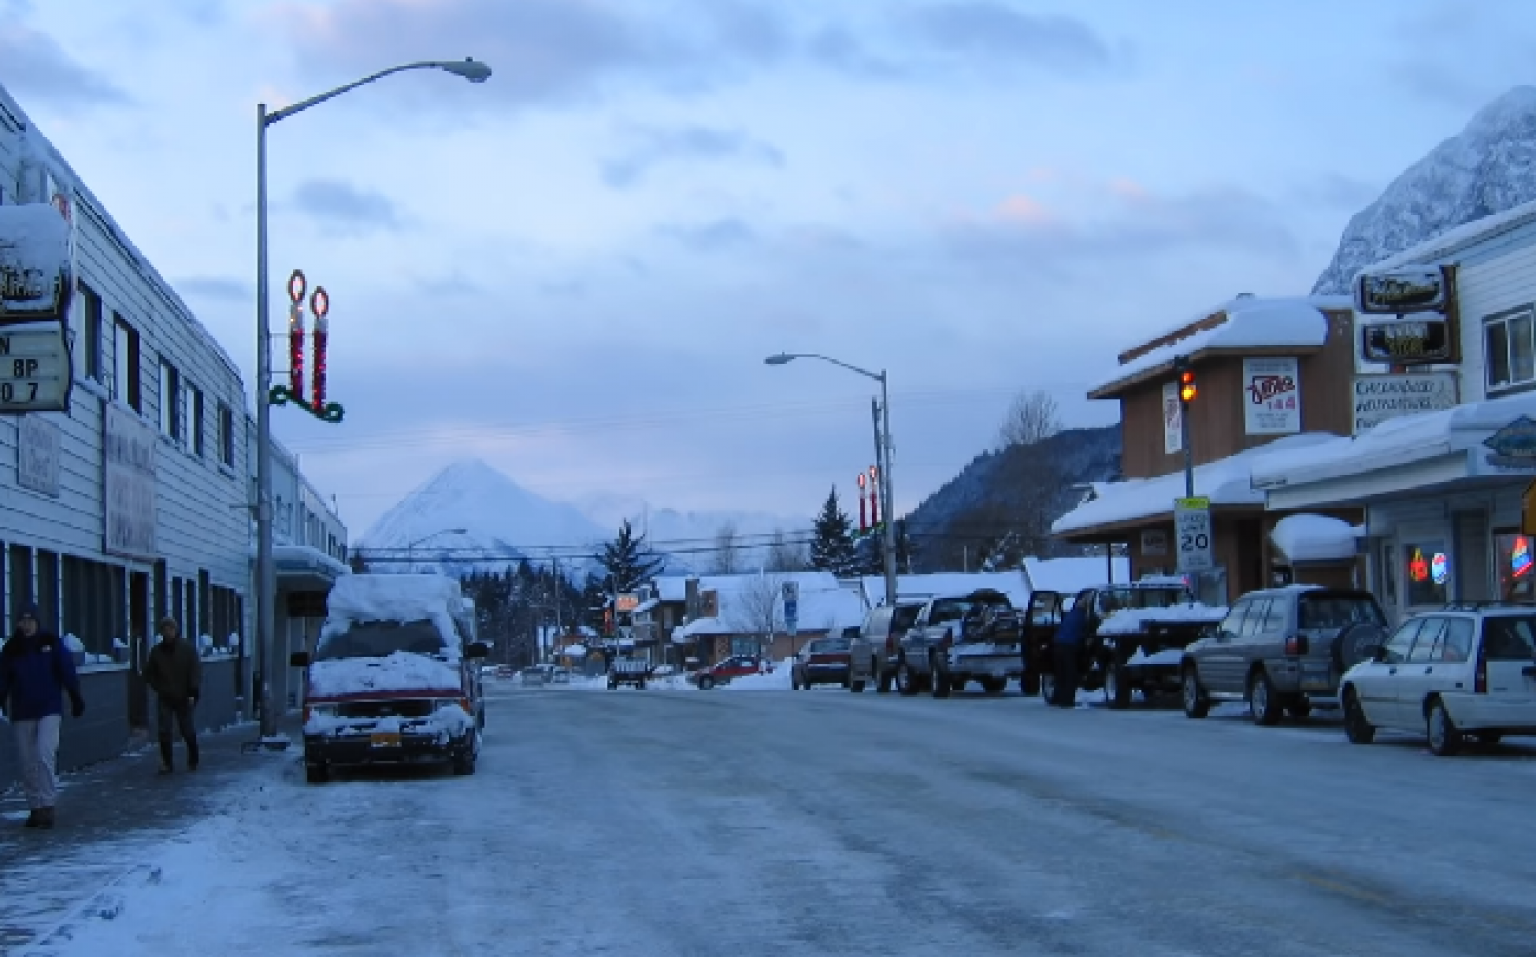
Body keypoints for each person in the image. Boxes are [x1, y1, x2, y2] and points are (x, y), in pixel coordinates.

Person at [0, 602, 84, 829]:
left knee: (44, 754)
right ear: (18, 623)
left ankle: (47, 804)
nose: (26, 625)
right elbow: (3, 679)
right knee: (28, 761)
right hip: (22, 710)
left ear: (37, 621)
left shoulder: (51, 643)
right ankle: (35, 806)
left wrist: (75, 696)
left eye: (30, 620)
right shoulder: (11, 649)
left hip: (49, 708)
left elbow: (66, 670)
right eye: (22, 620)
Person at [143, 616, 202, 774]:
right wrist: (158, 687)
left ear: (176, 630)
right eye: (164, 629)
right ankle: (167, 762)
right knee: (164, 730)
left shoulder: (187, 649)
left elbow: (194, 671)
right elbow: (149, 673)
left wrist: (192, 692)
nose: (168, 632)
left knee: (187, 729)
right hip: (166, 696)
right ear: (161, 632)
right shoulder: (157, 652)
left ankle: (193, 759)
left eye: (171, 629)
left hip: (184, 695)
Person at [1051, 602, 1087, 708]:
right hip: (1069, 646)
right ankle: (1067, 701)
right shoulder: (1083, 617)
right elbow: (1083, 633)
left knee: (1061, 673)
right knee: (1070, 675)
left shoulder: (1070, 615)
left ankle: (1056, 698)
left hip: (1058, 645)